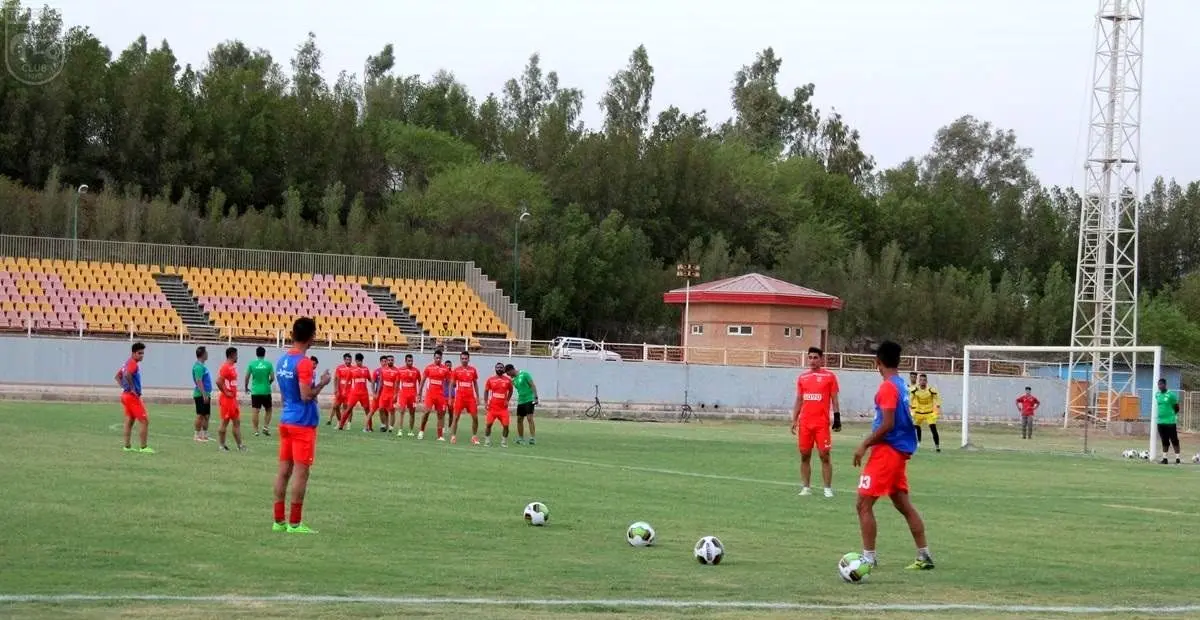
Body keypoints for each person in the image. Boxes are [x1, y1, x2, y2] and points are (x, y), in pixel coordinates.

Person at [853, 340, 933, 571]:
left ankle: (868, 558)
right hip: (898, 451)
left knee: (863, 504)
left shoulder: (888, 387)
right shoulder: (900, 384)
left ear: (878, 363)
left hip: (887, 451)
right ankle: (924, 555)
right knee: (903, 504)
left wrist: (864, 444)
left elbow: (887, 424)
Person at [273, 317, 332, 534]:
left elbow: (286, 393)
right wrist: (322, 384)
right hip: (302, 423)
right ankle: (295, 523)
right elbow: (306, 395)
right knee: (301, 473)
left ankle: (278, 520)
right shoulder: (304, 362)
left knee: (283, 471)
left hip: (287, 419)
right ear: (311, 337)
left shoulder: (282, 361)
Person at [791, 346, 841, 498]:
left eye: (815, 358)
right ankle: (806, 487)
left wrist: (837, 418)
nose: (812, 360)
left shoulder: (829, 377)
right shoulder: (802, 378)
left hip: (821, 423)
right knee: (804, 455)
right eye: (810, 358)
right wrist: (794, 419)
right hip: (805, 423)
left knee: (824, 455)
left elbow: (834, 399)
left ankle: (827, 488)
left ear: (821, 359)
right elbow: (799, 400)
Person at [117, 342, 153, 453]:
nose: (141, 355)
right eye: (139, 353)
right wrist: (132, 389)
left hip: (125, 395)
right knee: (144, 421)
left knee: (129, 421)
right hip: (132, 396)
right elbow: (127, 374)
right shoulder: (133, 363)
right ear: (133, 353)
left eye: (143, 353)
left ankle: (127, 446)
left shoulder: (126, 363)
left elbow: (118, 376)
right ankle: (143, 447)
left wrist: (125, 387)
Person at [217, 346, 246, 452]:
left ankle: (240, 446)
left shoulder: (232, 367)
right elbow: (218, 381)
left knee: (237, 422)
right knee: (224, 422)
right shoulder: (225, 367)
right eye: (236, 355)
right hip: (227, 400)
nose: (237, 357)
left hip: (233, 399)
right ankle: (221, 445)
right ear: (232, 355)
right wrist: (225, 392)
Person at [449, 351, 481, 445]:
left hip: (470, 398)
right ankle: (453, 437)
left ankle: (474, 437)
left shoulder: (473, 370)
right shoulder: (456, 370)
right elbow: (451, 384)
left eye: (466, 358)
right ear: (460, 359)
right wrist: (450, 398)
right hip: (460, 398)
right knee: (456, 418)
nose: (464, 360)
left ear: (468, 359)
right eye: (462, 358)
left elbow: (475, 383)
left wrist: (477, 397)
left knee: (475, 418)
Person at [417, 351, 450, 440]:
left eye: (440, 358)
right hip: (430, 395)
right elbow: (423, 381)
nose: (438, 359)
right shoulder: (429, 368)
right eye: (436, 358)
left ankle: (440, 436)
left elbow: (449, 383)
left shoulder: (445, 369)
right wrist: (419, 393)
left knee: (440, 415)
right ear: (434, 358)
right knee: (426, 412)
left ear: (441, 358)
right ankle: (421, 431)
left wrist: (449, 395)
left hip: (440, 396)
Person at [246, 346, 275, 437]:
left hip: (255, 391)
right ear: (264, 354)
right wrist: (268, 383)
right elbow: (272, 378)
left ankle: (256, 430)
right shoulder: (269, 364)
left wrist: (246, 387)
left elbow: (247, 377)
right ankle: (265, 427)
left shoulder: (252, 364)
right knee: (269, 409)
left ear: (256, 354)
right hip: (266, 390)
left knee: (255, 411)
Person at [506, 364, 539, 445]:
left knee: (529, 418)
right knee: (519, 419)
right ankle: (521, 438)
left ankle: (532, 438)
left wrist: (535, 397)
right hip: (521, 401)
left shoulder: (524, 374)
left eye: (508, 373)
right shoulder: (513, 380)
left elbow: (532, 385)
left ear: (512, 370)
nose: (508, 375)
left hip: (529, 399)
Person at [339, 353, 373, 431]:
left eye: (361, 361)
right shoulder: (352, 369)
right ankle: (341, 425)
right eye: (358, 361)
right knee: (348, 409)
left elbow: (370, 379)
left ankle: (370, 427)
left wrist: (375, 383)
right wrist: (344, 390)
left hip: (364, 393)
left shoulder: (366, 369)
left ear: (362, 361)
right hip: (354, 393)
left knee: (367, 410)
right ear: (356, 361)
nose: (359, 363)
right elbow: (347, 380)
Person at [909, 373, 942, 453]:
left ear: (926, 381)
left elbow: (938, 401)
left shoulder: (931, 390)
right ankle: (913, 444)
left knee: (933, 429)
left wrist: (936, 412)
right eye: (921, 380)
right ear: (918, 381)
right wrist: (911, 411)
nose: (922, 382)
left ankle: (937, 447)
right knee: (911, 428)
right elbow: (909, 400)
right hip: (918, 412)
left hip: (929, 413)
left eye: (924, 380)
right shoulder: (914, 390)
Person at [484, 362, 513, 447]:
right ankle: (487, 441)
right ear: (495, 369)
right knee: (488, 425)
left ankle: (503, 442)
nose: (499, 369)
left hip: (503, 408)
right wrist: (486, 402)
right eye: (497, 367)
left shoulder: (508, 380)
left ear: (503, 369)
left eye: (501, 367)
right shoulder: (490, 379)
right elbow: (486, 391)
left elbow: (511, 391)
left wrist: (507, 400)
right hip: (492, 408)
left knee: (506, 426)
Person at [1155, 378, 1182, 464]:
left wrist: (1171, 415)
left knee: (1174, 440)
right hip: (1160, 422)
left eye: (1161, 384)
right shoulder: (1157, 395)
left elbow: (1177, 408)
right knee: (1164, 440)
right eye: (1158, 384)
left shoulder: (1171, 395)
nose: (1159, 386)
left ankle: (1177, 458)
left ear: (1165, 385)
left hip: (1170, 422)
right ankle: (1164, 458)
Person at [395, 354, 421, 437]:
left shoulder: (416, 371)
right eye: (409, 361)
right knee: (401, 411)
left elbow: (420, 382)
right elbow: (397, 382)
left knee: (412, 412)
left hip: (413, 395)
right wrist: (396, 394)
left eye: (411, 361)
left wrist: (419, 394)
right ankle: (400, 430)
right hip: (403, 394)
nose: (410, 362)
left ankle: (411, 431)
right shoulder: (400, 370)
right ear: (405, 361)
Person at [192, 346, 213, 442]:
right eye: (206, 352)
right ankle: (196, 435)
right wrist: (204, 394)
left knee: (206, 415)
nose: (207, 354)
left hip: (206, 394)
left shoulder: (202, 366)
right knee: (200, 415)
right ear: (203, 354)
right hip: (200, 394)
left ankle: (204, 434)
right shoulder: (198, 367)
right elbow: (198, 381)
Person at [326, 353, 353, 426]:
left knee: (348, 407)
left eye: (350, 359)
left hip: (349, 391)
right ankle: (335, 421)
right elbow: (336, 379)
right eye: (347, 359)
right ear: (344, 360)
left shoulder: (353, 368)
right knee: (335, 406)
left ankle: (348, 424)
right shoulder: (339, 368)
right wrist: (336, 389)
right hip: (340, 391)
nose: (348, 361)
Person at [378, 356, 401, 433]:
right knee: (381, 409)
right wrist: (378, 393)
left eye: (392, 360)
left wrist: (395, 395)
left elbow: (397, 384)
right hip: (384, 393)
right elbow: (380, 382)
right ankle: (384, 425)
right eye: (389, 360)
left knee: (392, 411)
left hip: (392, 394)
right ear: (387, 361)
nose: (390, 361)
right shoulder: (383, 370)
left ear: (393, 361)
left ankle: (391, 428)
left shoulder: (397, 371)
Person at [366, 355, 387, 432]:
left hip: (386, 394)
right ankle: (366, 427)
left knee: (385, 410)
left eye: (386, 361)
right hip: (378, 395)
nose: (384, 363)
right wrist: (374, 393)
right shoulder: (377, 371)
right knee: (372, 411)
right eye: (383, 361)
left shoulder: (389, 371)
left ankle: (384, 426)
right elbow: (373, 383)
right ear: (380, 362)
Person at [442, 359, 456, 437]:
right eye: (446, 365)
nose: (448, 367)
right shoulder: (442, 373)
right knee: (443, 413)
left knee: (451, 413)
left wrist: (451, 381)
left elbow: (454, 385)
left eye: (449, 365)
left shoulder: (453, 373)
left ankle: (450, 427)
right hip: (443, 396)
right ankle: (443, 428)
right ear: (444, 366)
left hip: (452, 396)